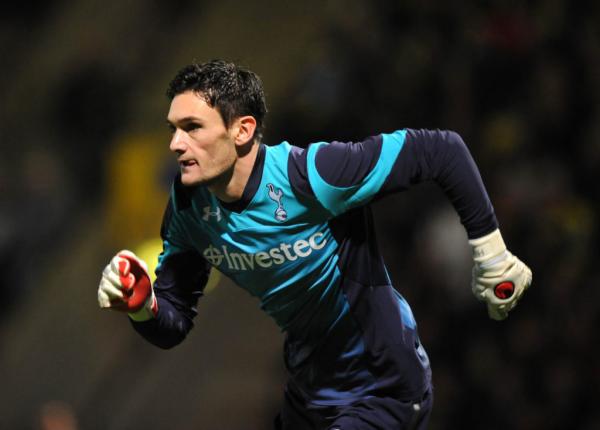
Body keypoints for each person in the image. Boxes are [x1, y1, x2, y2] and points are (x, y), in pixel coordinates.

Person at [98, 59, 532, 429]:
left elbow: (442, 151)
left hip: (382, 387)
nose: (175, 144)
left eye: (192, 128)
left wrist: (492, 253)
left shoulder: (311, 176)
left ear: (242, 130)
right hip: (312, 394)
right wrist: (142, 306)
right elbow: (173, 323)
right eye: (174, 129)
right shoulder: (188, 209)